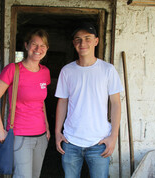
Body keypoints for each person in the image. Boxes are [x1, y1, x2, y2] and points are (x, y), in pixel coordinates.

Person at [55, 22, 123, 178]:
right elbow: (62, 102)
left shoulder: (108, 70)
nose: (82, 43)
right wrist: (57, 132)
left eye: (87, 38)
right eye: (78, 39)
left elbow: (115, 104)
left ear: (96, 41)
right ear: (73, 43)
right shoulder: (67, 71)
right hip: (70, 141)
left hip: (99, 142)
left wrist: (113, 136)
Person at [0, 29, 51, 178]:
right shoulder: (13, 69)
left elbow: (41, 102)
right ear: (26, 45)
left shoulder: (45, 72)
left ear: (47, 49)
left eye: (42, 46)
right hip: (20, 135)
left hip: (41, 136)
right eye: (34, 44)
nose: (38, 49)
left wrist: (47, 127)